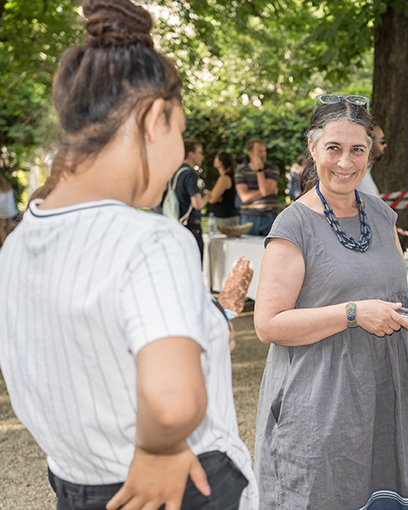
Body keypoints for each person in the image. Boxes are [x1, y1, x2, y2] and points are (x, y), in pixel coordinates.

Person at [0, 1, 257, 509]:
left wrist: (212, 318)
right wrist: (159, 446)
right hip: (178, 485)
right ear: (154, 118)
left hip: (74, 482)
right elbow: (172, 403)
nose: (182, 149)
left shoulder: (20, 242)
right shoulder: (151, 240)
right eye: (181, 129)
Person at [252, 94, 408, 509]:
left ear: (370, 152)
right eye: (334, 148)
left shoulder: (382, 214)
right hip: (324, 402)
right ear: (313, 149)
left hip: (389, 395)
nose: (345, 162)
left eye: (357, 150)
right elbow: (268, 324)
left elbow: (390, 291)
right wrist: (352, 314)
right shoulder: (293, 225)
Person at [167, 139, 212, 261]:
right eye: (200, 152)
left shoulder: (174, 172)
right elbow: (197, 204)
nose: (202, 156)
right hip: (191, 227)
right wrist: (207, 197)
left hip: (175, 225)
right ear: (191, 154)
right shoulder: (190, 174)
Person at [234, 138, 279, 236]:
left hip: (270, 217)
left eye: (264, 151)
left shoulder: (273, 169)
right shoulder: (241, 172)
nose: (263, 154)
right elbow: (244, 197)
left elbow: (265, 191)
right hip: (249, 219)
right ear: (250, 153)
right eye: (259, 152)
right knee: (249, 250)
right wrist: (269, 191)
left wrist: (259, 170)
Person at [208, 150, 240, 227]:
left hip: (225, 218)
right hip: (228, 216)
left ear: (220, 163)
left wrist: (208, 195)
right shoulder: (229, 176)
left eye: (216, 158)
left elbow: (212, 199)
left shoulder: (224, 178)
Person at [356, 123, 386, 196]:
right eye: (382, 142)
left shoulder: (365, 170)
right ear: (370, 145)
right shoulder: (359, 175)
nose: (385, 145)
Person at [0, 174, 17, 246]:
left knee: (0, 226)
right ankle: (11, 243)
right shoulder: (7, 186)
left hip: (2, 208)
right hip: (10, 209)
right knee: (8, 226)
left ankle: (4, 244)